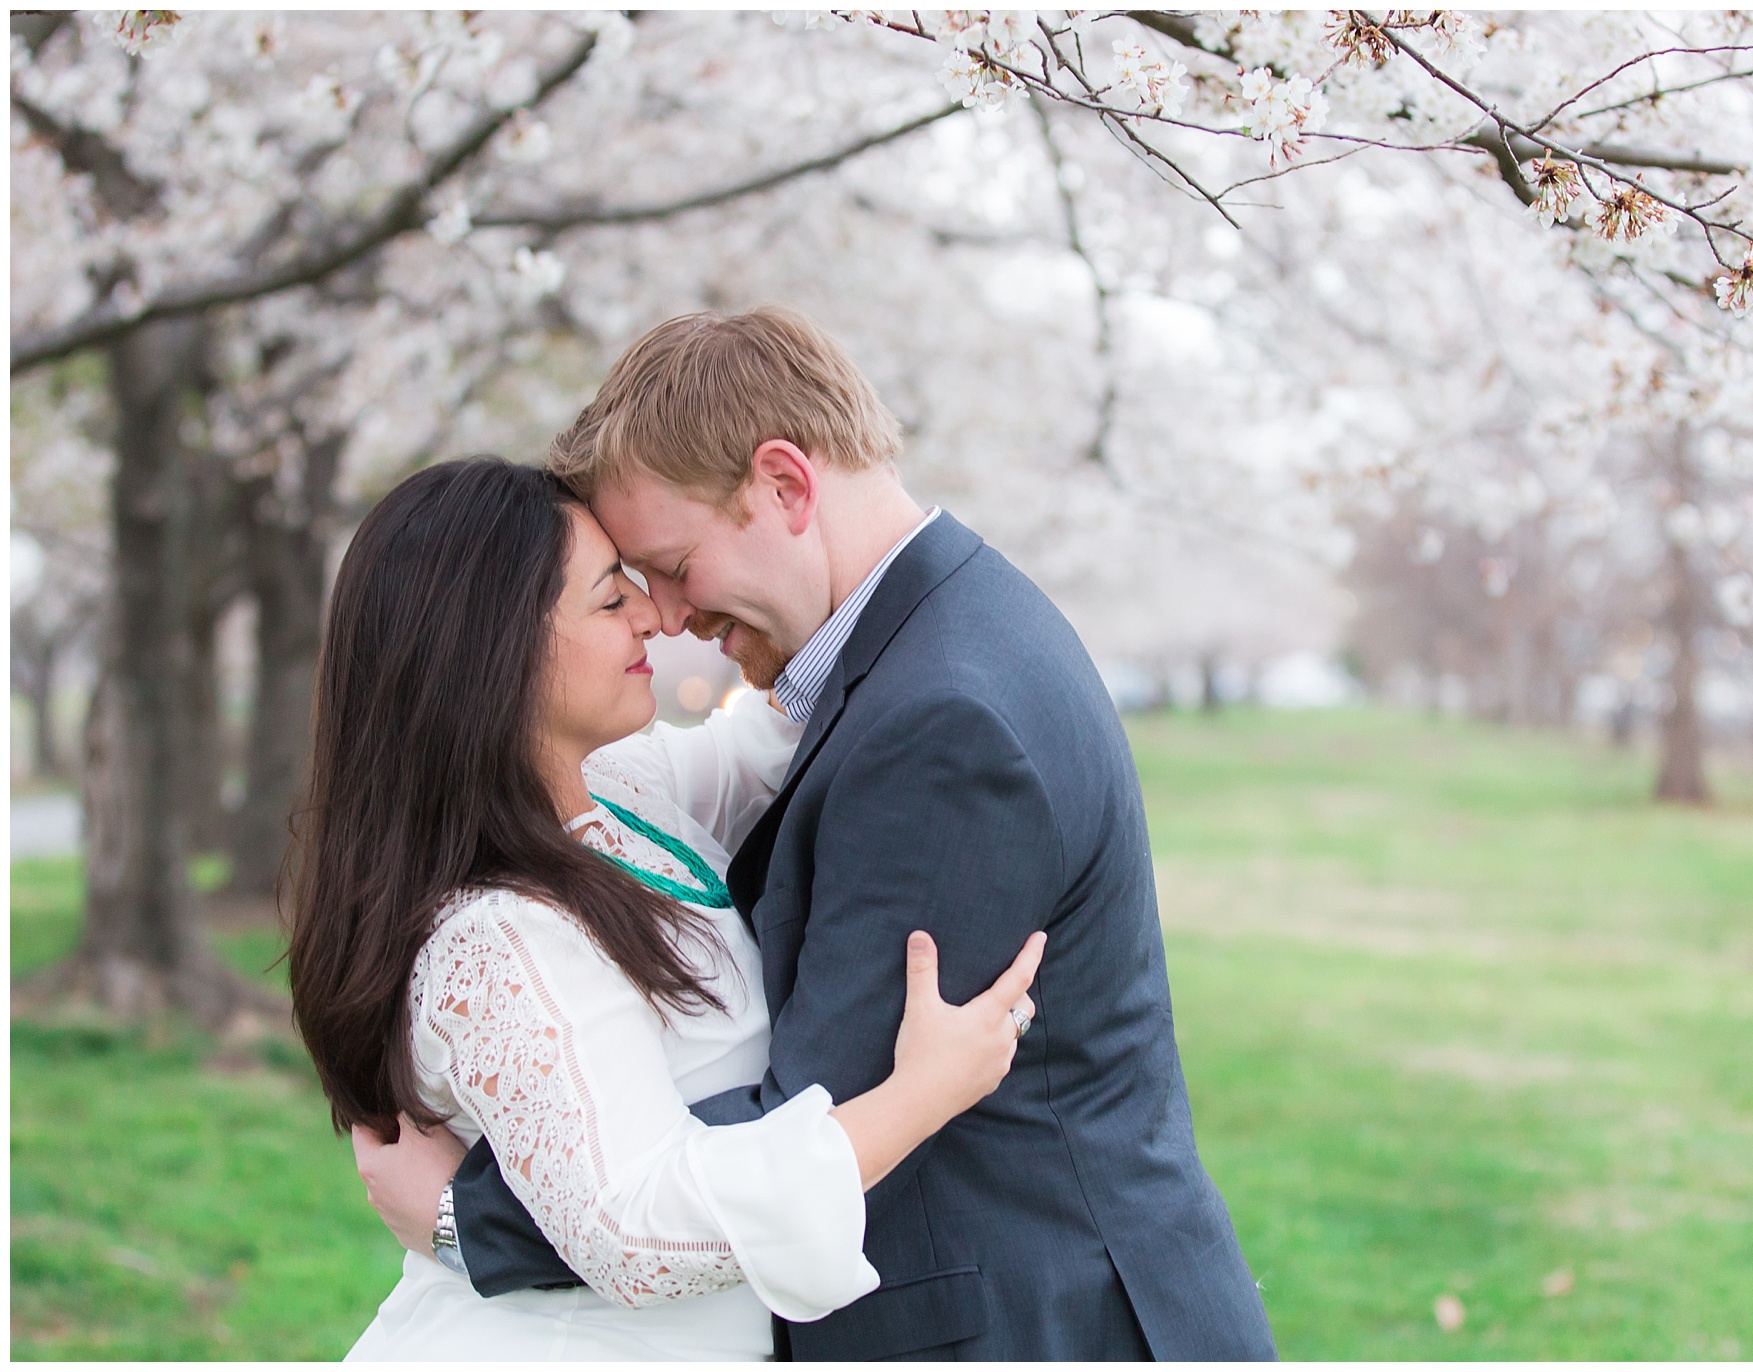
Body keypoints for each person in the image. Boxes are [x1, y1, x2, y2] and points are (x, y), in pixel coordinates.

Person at [356, 308, 1277, 1360]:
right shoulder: (933, 640)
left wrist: (473, 1216)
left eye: (664, 562)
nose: (664, 613)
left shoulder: (942, 722)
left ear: (787, 486)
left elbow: (816, 1107)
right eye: (623, 586)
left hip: (1026, 1323)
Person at [289, 457, 1044, 1361]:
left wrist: (859, 549)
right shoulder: (496, 936)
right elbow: (637, 1234)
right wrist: (921, 1095)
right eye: (612, 600)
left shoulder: (617, 792)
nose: (654, 614)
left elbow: (780, 734)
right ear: (495, 651)